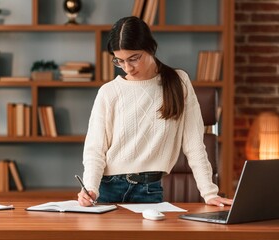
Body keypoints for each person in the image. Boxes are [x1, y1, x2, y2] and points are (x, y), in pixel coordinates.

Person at [77, 16, 233, 207]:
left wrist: (209, 193)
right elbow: (95, 148)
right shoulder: (109, 92)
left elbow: (194, 144)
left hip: (149, 189)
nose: (127, 68)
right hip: (108, 188)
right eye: (119, 61)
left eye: (134, 58)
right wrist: (90, 187)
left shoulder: (178, 82)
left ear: (150, 48)